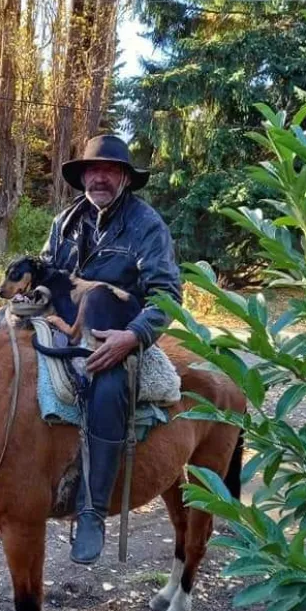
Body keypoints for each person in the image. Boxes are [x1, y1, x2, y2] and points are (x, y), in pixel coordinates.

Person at [41, 133, 181, 564]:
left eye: (109, 170)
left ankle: (92, 510)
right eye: (92, 170)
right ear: (82, 175)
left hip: (114, 326)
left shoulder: (146, 225)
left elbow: (166, 295)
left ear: (125, 178)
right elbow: (48, 270)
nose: (99, 178)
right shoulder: (66, 221)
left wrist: (133, 336)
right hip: (64, 322)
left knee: (107, 380)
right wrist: (32, 292)